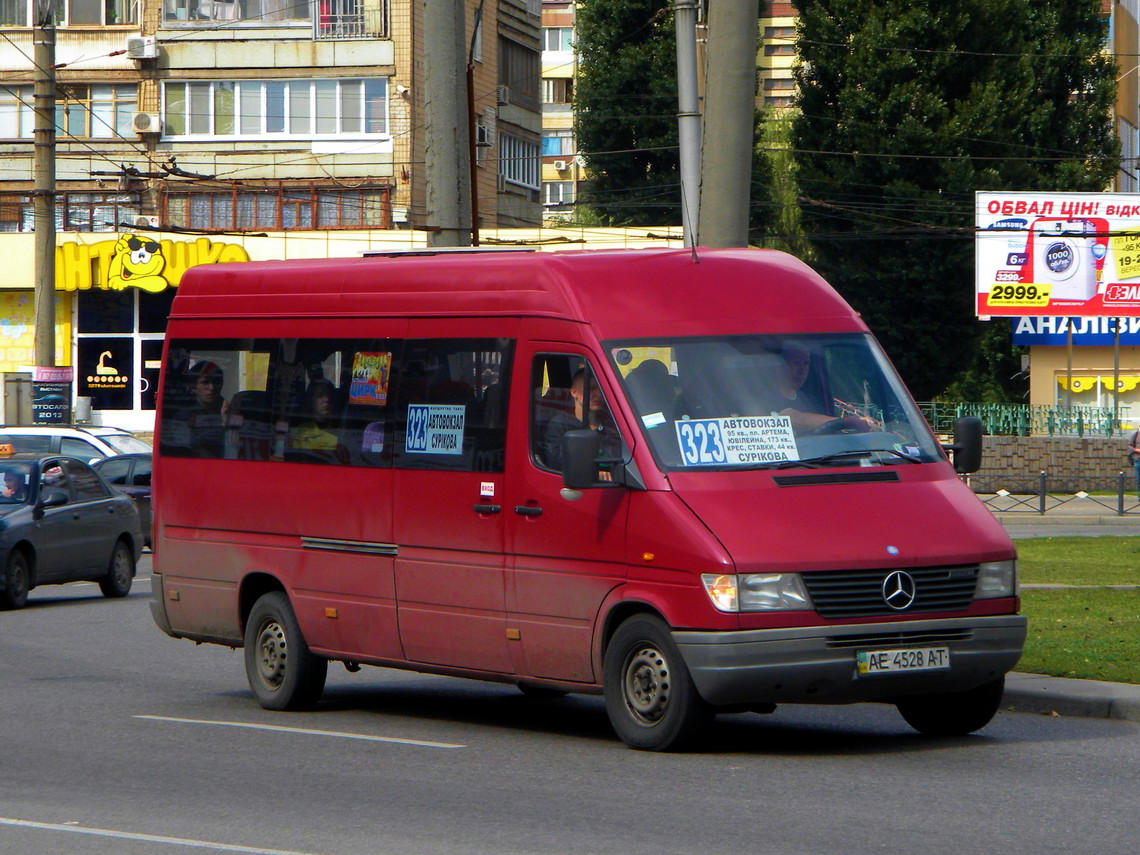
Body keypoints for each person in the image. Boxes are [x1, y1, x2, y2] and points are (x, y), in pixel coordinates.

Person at [542, 368, 621, 480]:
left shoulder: (613, 423)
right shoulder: (560, 425)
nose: (598, 394)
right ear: (574, 392)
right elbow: (557, 463)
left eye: (601, 389)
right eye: (591, 389)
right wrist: (592, 473)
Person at [178, 360, 227, 457]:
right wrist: (222, 425)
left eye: (216, 382)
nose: (212, 387)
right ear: (193, 387)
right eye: (205, 383)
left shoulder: (230, 410)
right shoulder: (184, 416)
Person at [288, 378, 341, 453]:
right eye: (320, 395)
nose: (327, 399)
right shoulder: (299, 434)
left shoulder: (343, 431)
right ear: (311, 400)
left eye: (329, 395)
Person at [1129, 427, 1140, 499]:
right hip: (1138, 459)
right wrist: (1136, 450)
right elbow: (1129, 446)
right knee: (1138, 479)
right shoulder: (1136, 435)